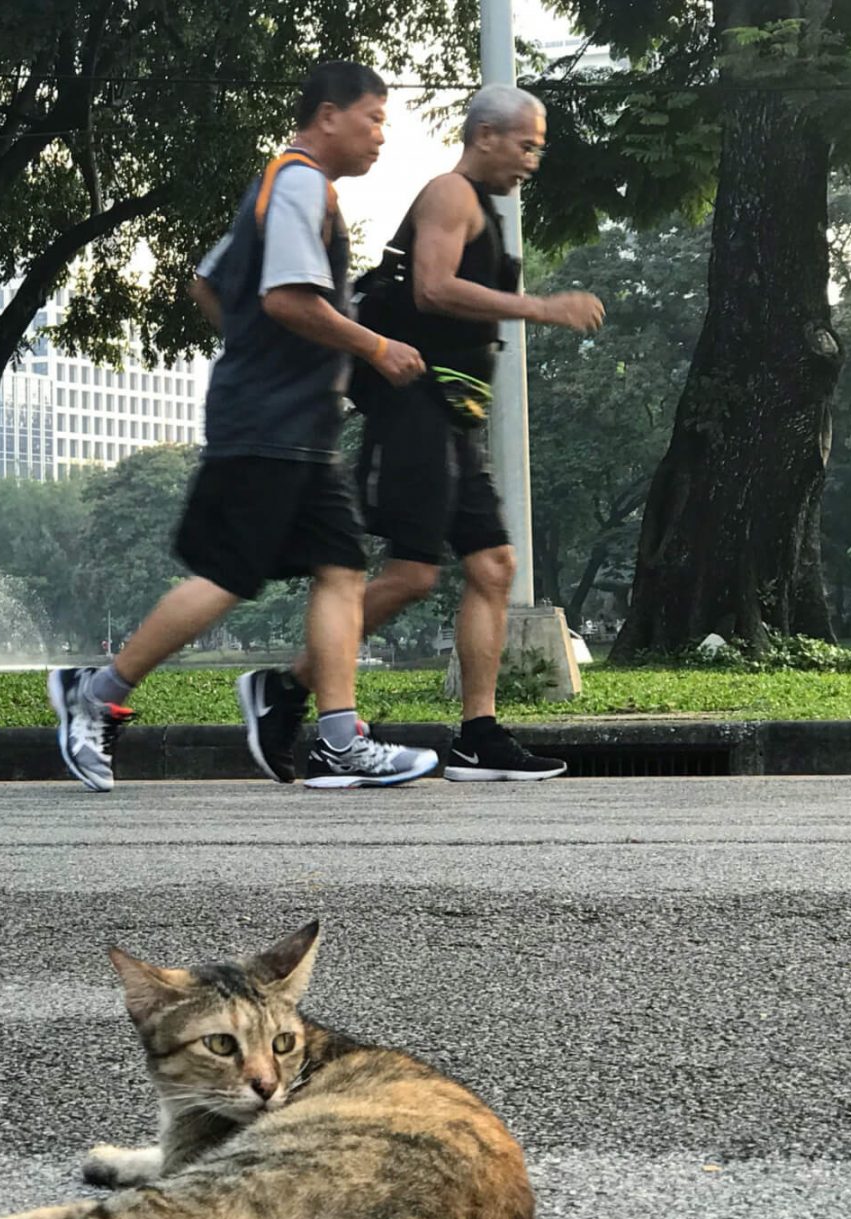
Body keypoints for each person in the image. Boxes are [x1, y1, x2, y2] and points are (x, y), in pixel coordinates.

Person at [48, 61, 437, 793]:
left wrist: (258, 349)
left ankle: (338, 738)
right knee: (228, 576)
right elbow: (289, 299)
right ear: (328, 116)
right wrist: (372, 347)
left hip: (295, 423)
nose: (382, 136)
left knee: (342, 569)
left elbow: (208, 281)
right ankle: (94, 695)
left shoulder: (279, 184)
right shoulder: (297, 183)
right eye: (375, 118)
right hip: (266, 423)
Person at [237, 86, 605, 785]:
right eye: (526, 144)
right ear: (487, 135)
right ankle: (285, 690)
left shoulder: (484, 211)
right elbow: (433, 289)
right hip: (415, 407)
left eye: (538, 148)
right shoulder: (450, 193)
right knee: (411, 574)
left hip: (453, 420)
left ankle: (478, 735)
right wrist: (542, 308)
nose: (532, 159)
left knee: (493, 565)